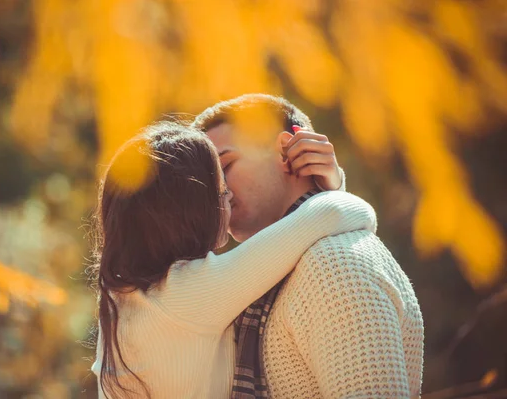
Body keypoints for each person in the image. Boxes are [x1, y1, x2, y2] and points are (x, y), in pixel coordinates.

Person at [90, 121, 377, 398]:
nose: (228, 197)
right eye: (219, 187)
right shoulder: (191, 292)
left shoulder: (121, 296)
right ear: (190, 209)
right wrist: (331, 182)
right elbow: (336, 213)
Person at [192, 93, 425, 398]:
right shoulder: (265, 274)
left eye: (226, 165)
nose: (217, 190)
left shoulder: (335, 266)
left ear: (286, 151)